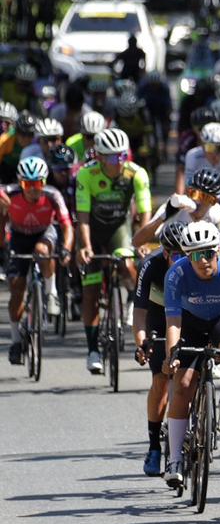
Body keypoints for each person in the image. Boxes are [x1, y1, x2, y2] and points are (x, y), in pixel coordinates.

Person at [161, 221, 220, 486]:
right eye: (195, 255)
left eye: (208, 253)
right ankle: (176, 458)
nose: (203, 261)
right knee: (182, 385)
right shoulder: (176, 275)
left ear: (218, 251)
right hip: (189, 322)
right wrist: (173, 355)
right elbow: (173, 322)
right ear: (187, 256)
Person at [75, 128, 151, 374]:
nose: (116, 163)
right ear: (98, 156)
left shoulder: (136, 174)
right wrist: (85, 246)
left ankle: (132, 298)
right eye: (109, 158)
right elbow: (83, 217)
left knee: (127, 266)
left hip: (119, 229)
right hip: (93, 234)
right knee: (91, 290)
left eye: (121, 156)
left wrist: (144, 242)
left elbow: (144, 214)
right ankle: (92, 350)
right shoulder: (86, 174)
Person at [1, 158, 73, 362]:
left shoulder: (53, 195)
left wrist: (66, 249)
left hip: (44, 233)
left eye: (38, 183)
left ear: (44, 182)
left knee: (43, 250)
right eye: (27, 184)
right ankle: (16, 340)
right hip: (18, 236)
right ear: (20, 182)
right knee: (16, 289)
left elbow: (67, 226)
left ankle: (51, 293)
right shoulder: (11, 192)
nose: (33, 189)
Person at [133, 222, 185, 476]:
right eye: (175, 254)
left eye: (185, 253)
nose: (181, 259)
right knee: (161, 382)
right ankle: (154, 446)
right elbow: (140, 311)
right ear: (164, 252)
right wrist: (142, 342)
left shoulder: (196, 267)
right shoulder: (150, 267)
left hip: (189, 321)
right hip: (158, 322)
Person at [178, 122, 220, 194]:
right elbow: (188, 187)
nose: (214, 154)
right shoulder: (193, 156)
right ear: (201, 145)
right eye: (210, 148)